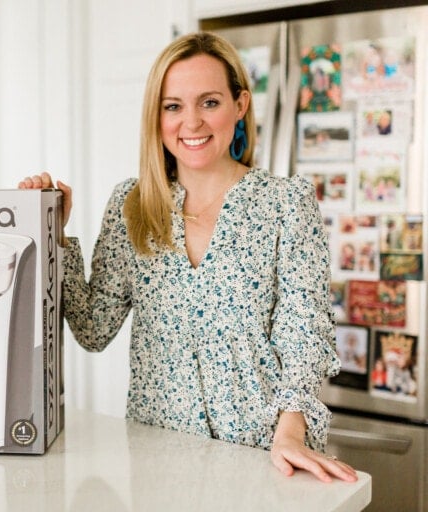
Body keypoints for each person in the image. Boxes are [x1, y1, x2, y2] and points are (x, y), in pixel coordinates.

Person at [19, 31, 358, 483]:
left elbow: (305, 332)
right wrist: (52, 234)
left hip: (263, 458)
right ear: (156, 117)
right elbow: (93, 328)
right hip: (159, 465)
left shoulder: (286, 203)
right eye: (173, 106)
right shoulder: (133, 206)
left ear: (240, 105)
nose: (191, 123)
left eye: (210, 102)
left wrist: (291, 432)